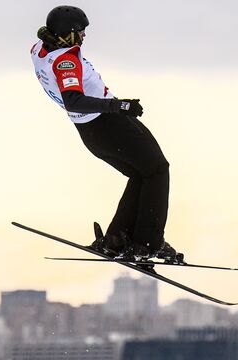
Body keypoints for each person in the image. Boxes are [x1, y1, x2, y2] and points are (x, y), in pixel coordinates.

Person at [31, 5, 180, 262]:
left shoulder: (39, 51)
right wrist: (118, 105)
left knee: (142, 173)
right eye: (80, 32)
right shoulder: (65, 60)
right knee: (157, 169)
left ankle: (117, 239)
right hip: (107, 125)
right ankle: (147, 244)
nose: (84, 37)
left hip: (91, 132)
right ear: (67, 34)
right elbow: (73, 100)